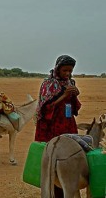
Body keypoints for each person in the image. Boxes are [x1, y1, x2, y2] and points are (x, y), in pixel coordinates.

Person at [34, 55, 81, 197]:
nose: (67, 73)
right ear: (57, 69)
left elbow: (74, 108)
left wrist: (74, 95)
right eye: (65, 70)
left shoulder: (70, 82)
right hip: (52, 126)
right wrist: (64, 94)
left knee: (69, 156)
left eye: (70, 70)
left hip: (67, 123)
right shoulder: (48, 84)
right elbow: (45, 108)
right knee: (53, 158)